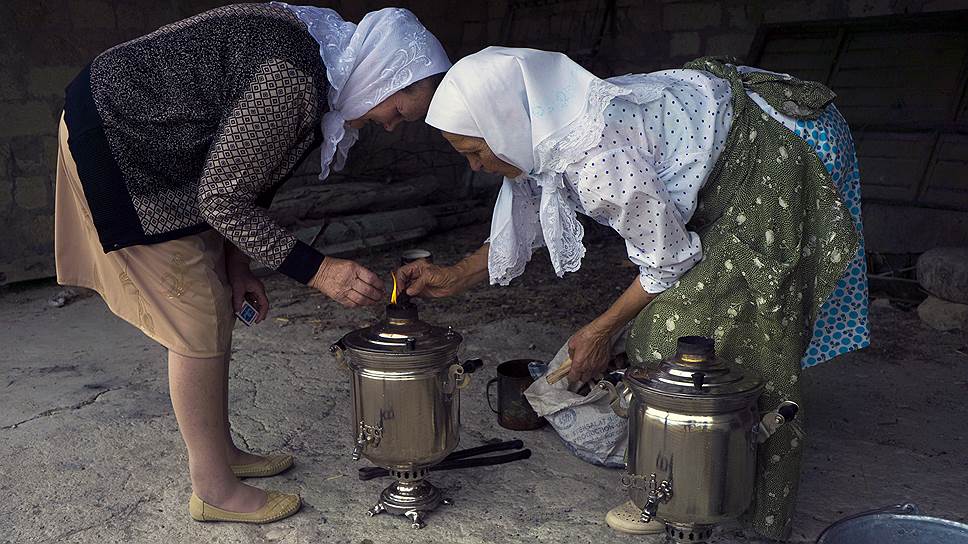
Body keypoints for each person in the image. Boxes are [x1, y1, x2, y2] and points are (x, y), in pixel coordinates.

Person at [396, 47, 869, 540]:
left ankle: (720, 498)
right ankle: (679, 477)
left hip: (776, 151)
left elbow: (668, 259)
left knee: (689, 334)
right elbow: (535, 211)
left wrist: (600, 330)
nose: (474, 167)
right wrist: (452, 275)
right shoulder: (544, 130)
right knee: (675, 329)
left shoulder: (597, 157)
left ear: (505, 124)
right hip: (723, 132)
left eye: (475, 152)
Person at [54, 3, 450, 524]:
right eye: (400, 110)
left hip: (152, 141)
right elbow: (221, 198)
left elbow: (250, 178)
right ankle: (213, 489)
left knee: (216, 300)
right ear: (382, 75)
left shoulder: (321, 65)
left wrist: (240, 268)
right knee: (195, 317)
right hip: (119, 142)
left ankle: (221, 453)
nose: (395, 127)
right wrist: (318, 269)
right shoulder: (292, 82)